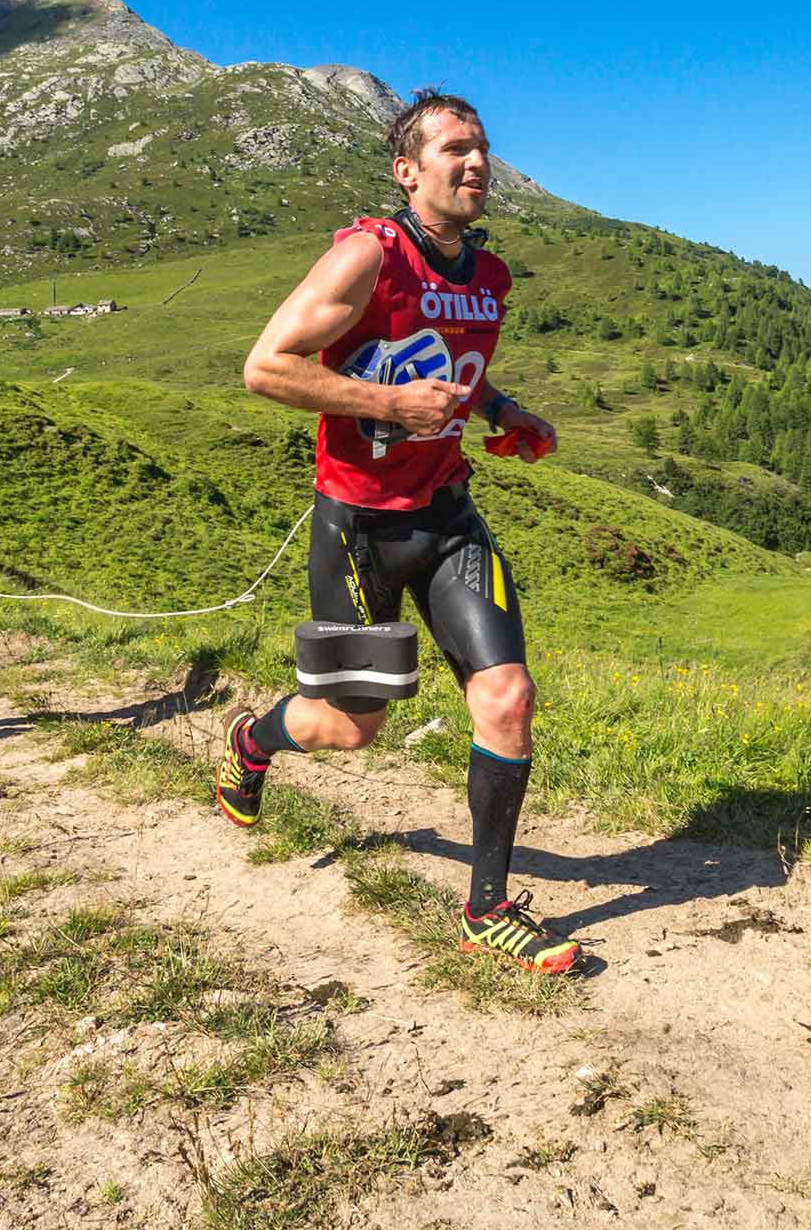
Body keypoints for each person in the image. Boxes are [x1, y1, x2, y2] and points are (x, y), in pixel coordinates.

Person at [226, 89, 578, 974]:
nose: (476, 164)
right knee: (352, 728)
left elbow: (457, 379)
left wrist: (506, 410)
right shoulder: (365, 257)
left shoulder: (488, 278)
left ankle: (486, 908)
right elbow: (265, 368)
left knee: (508, 697)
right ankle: (251, 742)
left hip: (448, 517)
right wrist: (385, 403)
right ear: (407, 170)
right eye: (455, 148)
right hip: (356, 529)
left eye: (484, 148)